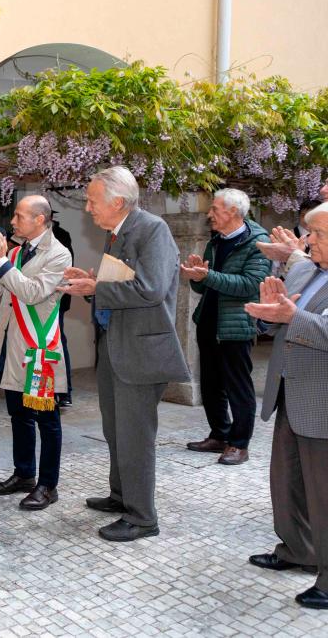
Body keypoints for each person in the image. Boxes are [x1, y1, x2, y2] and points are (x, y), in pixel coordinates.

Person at [58, 166, 190, 542]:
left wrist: (95, 287)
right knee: (115, 430)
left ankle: (142, 517)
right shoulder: (116, 233)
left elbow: (150, 289)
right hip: (116, 344)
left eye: (92, 201)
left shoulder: (152, 230)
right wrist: (91, 283)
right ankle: (121, 496)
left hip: (141, 351)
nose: (87, 208)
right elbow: (119, 284)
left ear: (117, 202)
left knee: (135, 436)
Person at [245, 201, 328, 610]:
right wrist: (267, 316)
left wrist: (291, 316)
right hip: (288, 392)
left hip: (321, 400)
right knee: (287, 481)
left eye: (318, 234)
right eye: (309, 231)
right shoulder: (304, 269)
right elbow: (278, 319)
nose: (308, 240)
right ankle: (296, 549)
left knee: (323, 494)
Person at [0, 195, 71, 510]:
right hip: (13, 348)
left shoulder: (59, 254)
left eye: (18, 216)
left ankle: (48, 486)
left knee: (47, 420)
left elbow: (32, 293)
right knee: (19, 415)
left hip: (39, 351)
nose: (12, 221)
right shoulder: (14, 252)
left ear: (39, 219)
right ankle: (25, 474)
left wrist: (1, 261)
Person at [180, 189, 270, 465]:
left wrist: (208, 276)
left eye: (215, 209)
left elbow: (250, 285)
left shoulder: (259, 242)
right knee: (210, 384)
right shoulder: (216, 240)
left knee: (237, 387)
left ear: (233, 212)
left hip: (236, 325)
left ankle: (239, 444)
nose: (210, 214)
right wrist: (197, 276)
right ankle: (219, 434)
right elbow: (203, 286)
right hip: (208, 322)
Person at [51, 211, 75, 407]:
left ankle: (64, 391)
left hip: (56, 300)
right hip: (35, 302)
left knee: (58, 342)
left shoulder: (61, 236)